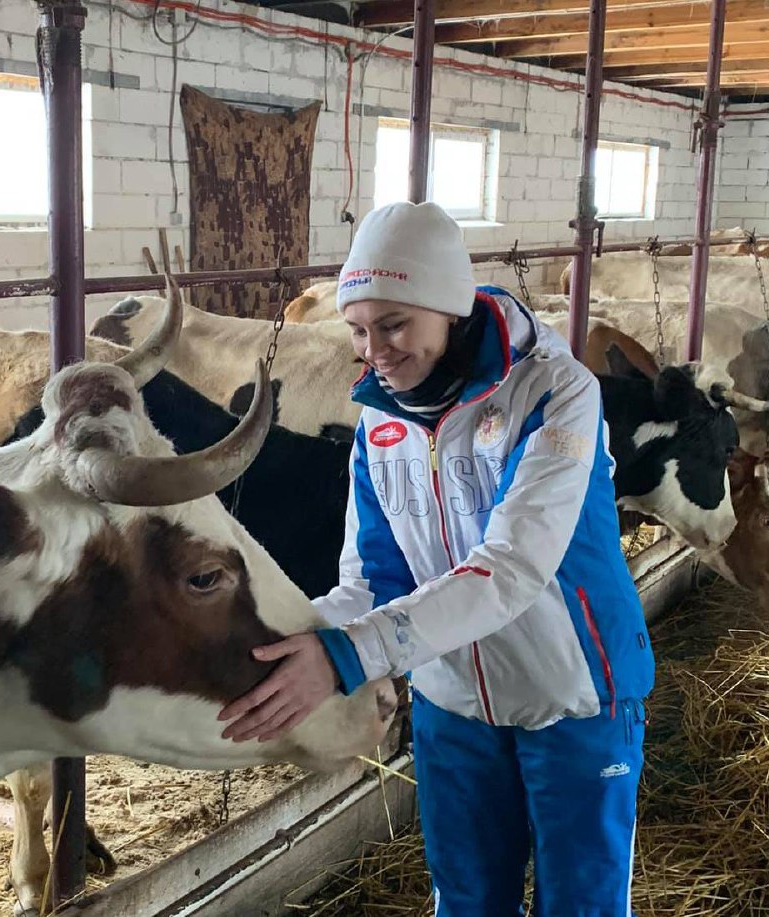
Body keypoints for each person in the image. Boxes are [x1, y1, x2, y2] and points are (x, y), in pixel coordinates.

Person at [218, 201, 655, 915]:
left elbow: (512, 566)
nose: (375, 351)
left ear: (449, 307)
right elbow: (373, 578)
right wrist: (280, 643)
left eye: (394, 325)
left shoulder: (556, 391)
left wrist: (345, 656)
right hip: (453, 704)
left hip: (574, 693)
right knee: (466, 900)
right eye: (359, 331)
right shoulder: (380, 422)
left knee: (582, 903)